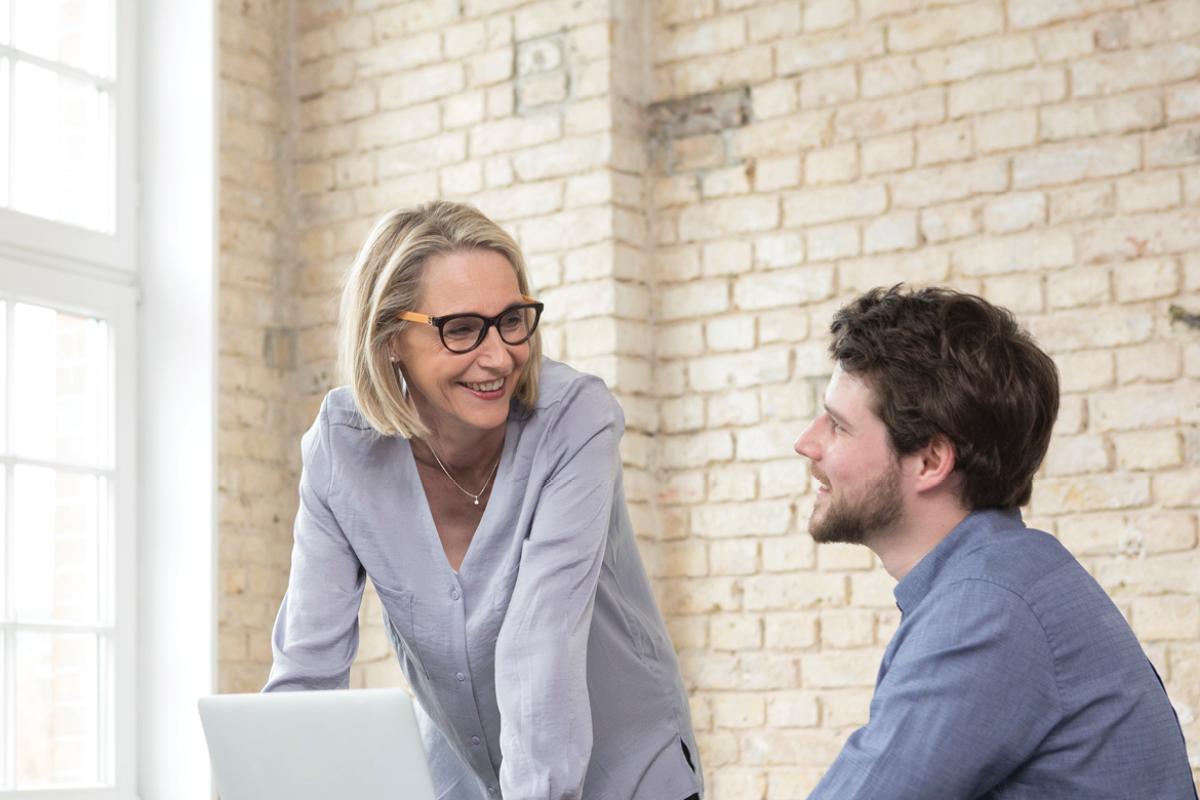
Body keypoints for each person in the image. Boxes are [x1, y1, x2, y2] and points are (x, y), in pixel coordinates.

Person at [264, 201, 703, 800]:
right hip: (464, 777)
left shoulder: (573, 422)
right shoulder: (342, 451)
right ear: (391, 338)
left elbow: (538, 643)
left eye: (513, 320)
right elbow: (307, 675)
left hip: (625, 774)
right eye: (462, 329)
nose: (499, 356)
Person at [795, 285, 1196, 799]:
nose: (806, 442)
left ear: (930, 462)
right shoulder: (1006, 579)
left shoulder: (987, 608)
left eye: (839, 425)